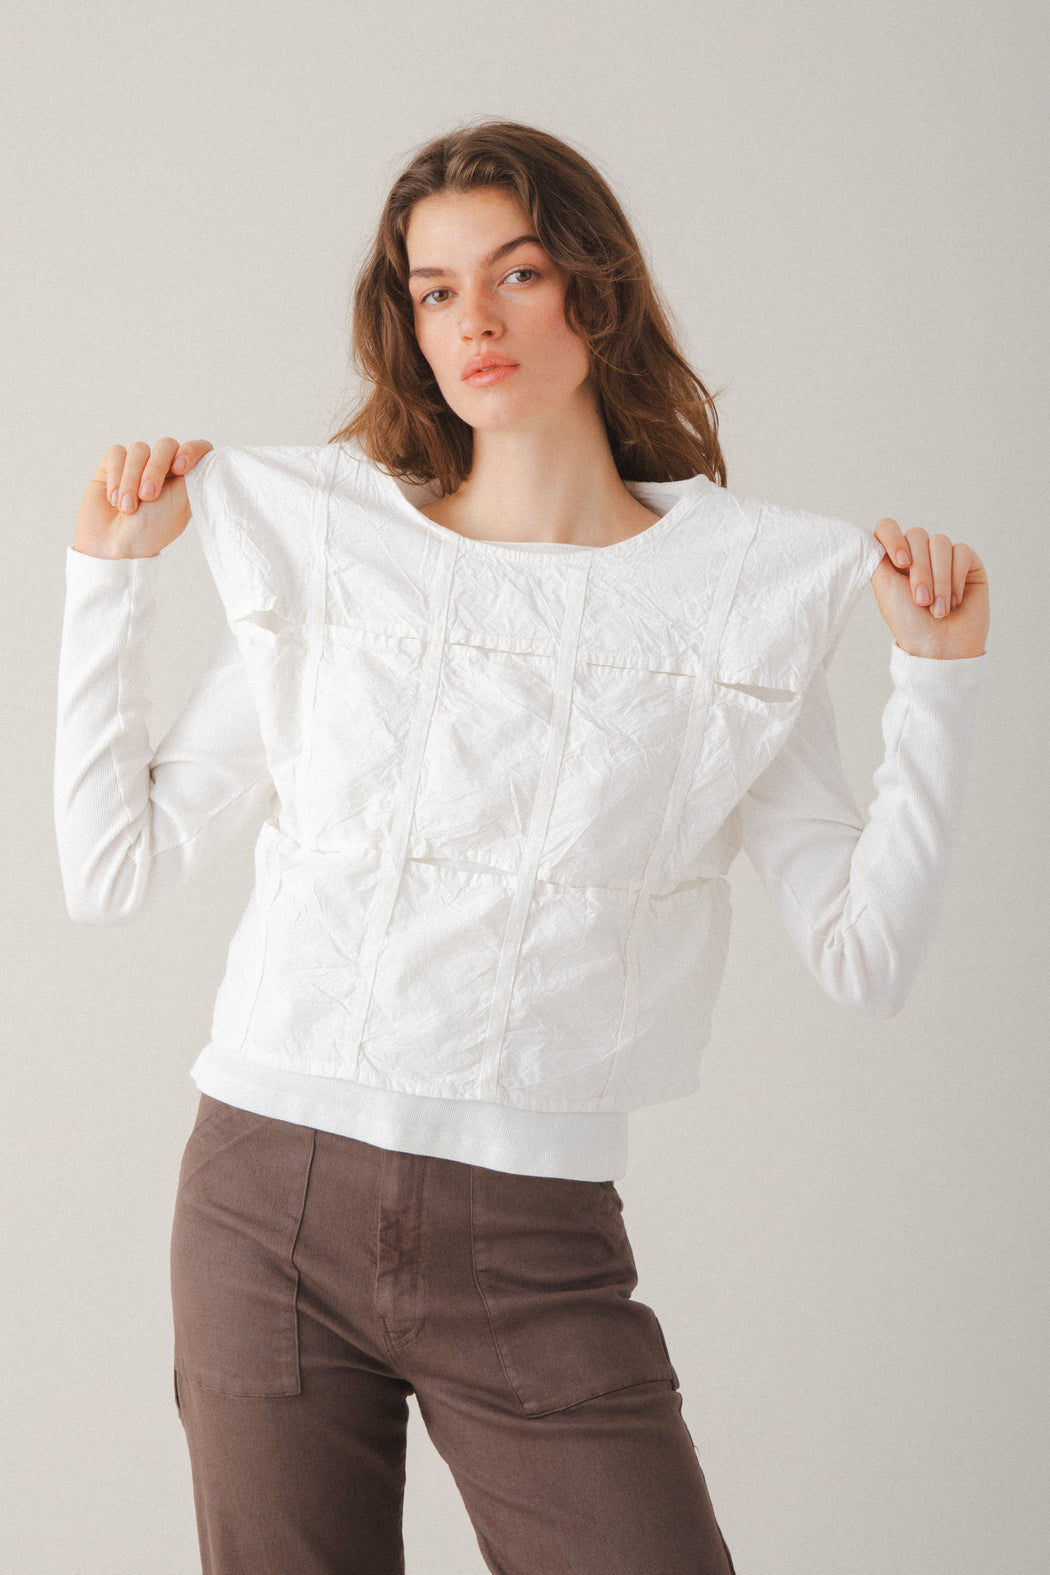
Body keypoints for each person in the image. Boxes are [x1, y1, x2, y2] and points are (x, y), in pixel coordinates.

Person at [54, 120, 988, 1575]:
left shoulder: (739, 596)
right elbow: (110, 869)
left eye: (518, 272)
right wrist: (107, 581)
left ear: (595, 290)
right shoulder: (337, 557)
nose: (473, 322)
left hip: (532, 1238)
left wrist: (936, 683)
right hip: (263, 1205)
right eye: (435, 291)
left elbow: (863, 961)